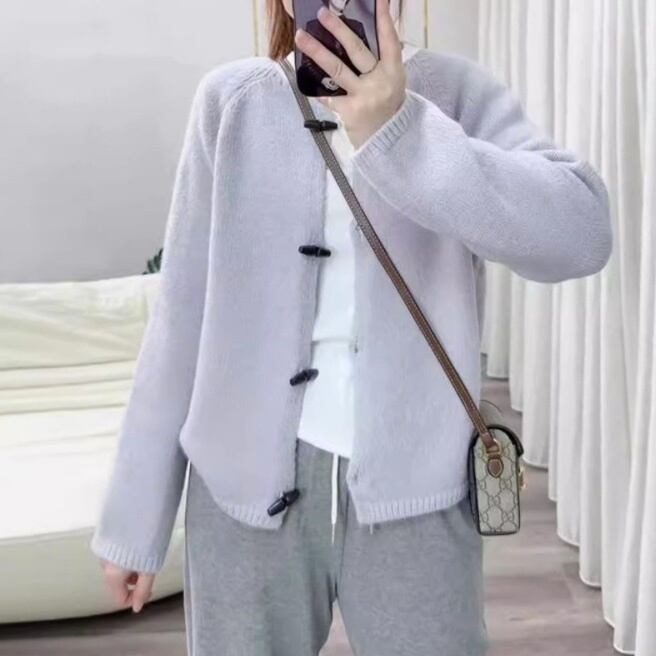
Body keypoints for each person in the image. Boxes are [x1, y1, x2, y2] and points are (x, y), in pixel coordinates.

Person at [90, 0, 614, 654]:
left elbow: (582, 235)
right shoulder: (232, 102)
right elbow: (180, 318)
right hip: (242, 495)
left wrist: (401, 129)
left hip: (418, 492)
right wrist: (136, 519)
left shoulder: (456, 93)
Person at [297, 0, 371, 93]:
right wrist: (322, 79)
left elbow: (364, 61)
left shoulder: (357, 26)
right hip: (320, 87)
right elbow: (307, 62)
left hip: (355, 89)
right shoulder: (312, 26)